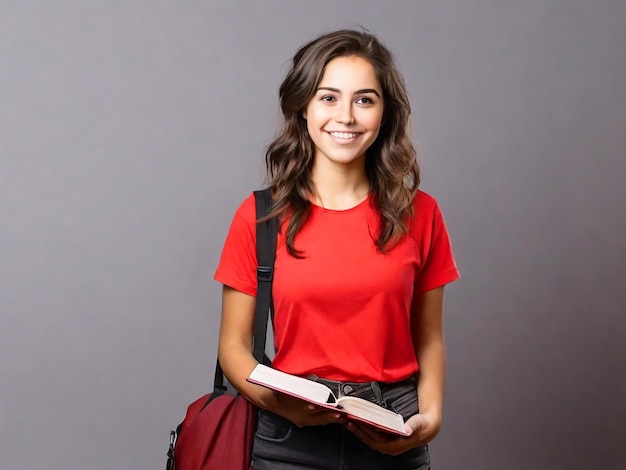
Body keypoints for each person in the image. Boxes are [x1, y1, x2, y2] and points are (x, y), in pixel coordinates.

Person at [215, 29, 460, 469]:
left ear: (385, 113)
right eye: (328, 98)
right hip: (289, 432)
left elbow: (429, 336)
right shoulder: (259, 216)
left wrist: (433, 415)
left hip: (392, 426)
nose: (345, 116)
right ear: (303, 107)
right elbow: (233, 347)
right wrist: (277, 404)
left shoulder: (421, 213)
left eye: (364, 100)